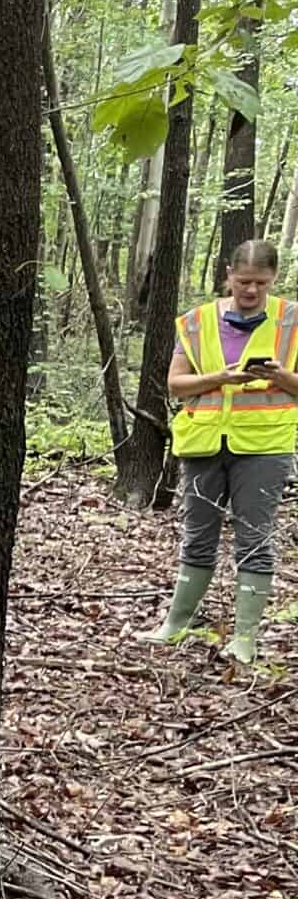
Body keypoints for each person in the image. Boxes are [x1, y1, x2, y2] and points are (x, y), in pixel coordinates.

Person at [142, 238, 298, 665]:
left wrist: (282, 376)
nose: (251, 291)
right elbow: (176, 384)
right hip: (204, 441)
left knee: (255, 539)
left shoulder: (292, 321)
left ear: (273, 280)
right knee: (198, 535)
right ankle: (176, 624)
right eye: (244, 281)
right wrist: (220, 378)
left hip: (265, 445)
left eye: (260, 284)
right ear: (228, 274)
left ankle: (245, 638)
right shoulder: (195, 322)